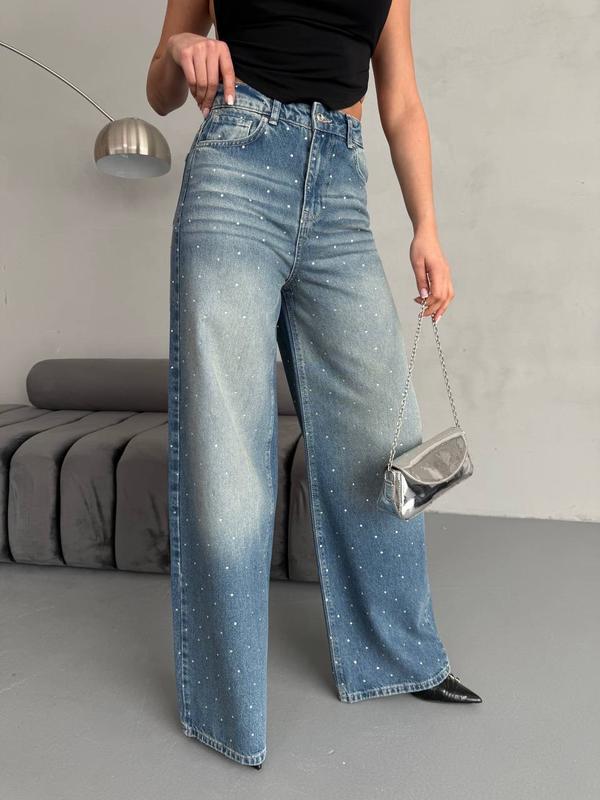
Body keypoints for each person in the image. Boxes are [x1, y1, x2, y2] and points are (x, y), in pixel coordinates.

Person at [146, 0, 481, 770]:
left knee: (378, 438)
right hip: (235, 171)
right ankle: (228, 708)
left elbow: (401, 101)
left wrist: (426, 227)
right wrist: (187, 44)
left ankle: (397, 656)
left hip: (339, 184)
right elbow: (160, 87)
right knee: (229, 454)